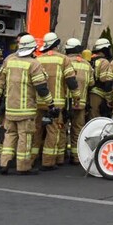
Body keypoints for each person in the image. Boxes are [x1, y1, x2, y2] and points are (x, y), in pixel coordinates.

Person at [0, 34, 53, 175]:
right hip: (26, 110)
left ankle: (4, 163)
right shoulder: (34, 64)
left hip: (10, 108)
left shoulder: (10, 61)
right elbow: (41, 88)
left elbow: (0, 81)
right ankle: (23, 167)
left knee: (10, 135)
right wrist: (51, 104)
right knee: (25, 138)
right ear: (32, 48)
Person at [33, 32, 78, 170]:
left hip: (39, 101)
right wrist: (76, 96)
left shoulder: (38, 60)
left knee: (37, 130)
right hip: (56, 103)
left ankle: (32, 158)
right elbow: (71, 81)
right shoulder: (64, 59)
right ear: (56, 45)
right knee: (53, 131)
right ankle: (48, 162)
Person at [64, 37, 92, 165]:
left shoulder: (65, 61)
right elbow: (91, 82)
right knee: (78, 130)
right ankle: (76, 157)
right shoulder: (87, 65)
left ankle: (62, 155)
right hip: (81, 103)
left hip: (66, 102)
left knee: (62, 128)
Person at [88, 37, 113, 118]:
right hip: (98, 93)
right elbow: (103, 79)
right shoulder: (104, 61)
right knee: (95, 116)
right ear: (104, 49)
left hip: (88, 92)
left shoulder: (89, 60)